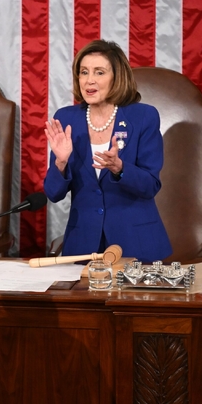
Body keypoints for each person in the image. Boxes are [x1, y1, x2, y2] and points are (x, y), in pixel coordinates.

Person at [44, 40, 172, 262]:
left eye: (99, 72)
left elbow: (151, 185)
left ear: (117, 77)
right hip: (84, 247)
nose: (89, 80)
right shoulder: (66, 119)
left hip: (136, 246)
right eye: (84, 72)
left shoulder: (143, 117)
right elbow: (53, 194)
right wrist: (61, 163)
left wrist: (120, 168)